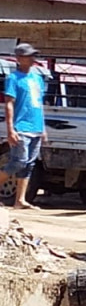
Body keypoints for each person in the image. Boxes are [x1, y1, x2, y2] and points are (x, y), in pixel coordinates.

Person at [1, 43, 46, 210]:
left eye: (33, 55)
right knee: (18, 162)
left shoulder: (37, 78)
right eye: (29, 56)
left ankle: (20, 200)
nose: (33, 59)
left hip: (36, 127)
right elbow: (9, 104)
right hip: (21, 127)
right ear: (19, 59)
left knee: (29, 165)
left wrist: (43, 129)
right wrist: (11, 129)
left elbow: (39, 104)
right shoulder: (13, 79)